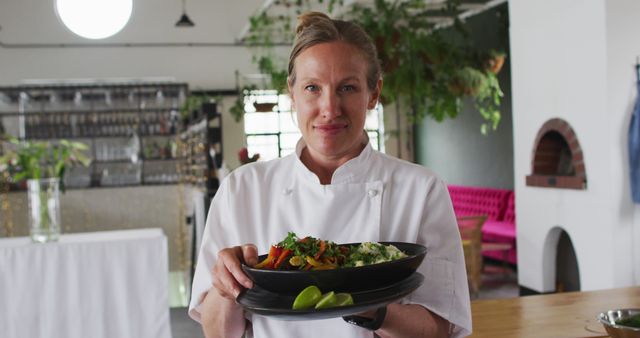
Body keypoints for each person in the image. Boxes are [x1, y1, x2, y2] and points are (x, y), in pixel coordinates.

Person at [189, 11, 471, 338]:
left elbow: (439, 328)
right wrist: (226, 290)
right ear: (292, 94)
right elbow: (217, 333)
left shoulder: (420, 189)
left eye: (347, 88)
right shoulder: (242, 189)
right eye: (312, 88)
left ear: (374, 93)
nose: (330, 109)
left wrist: (367, 305)